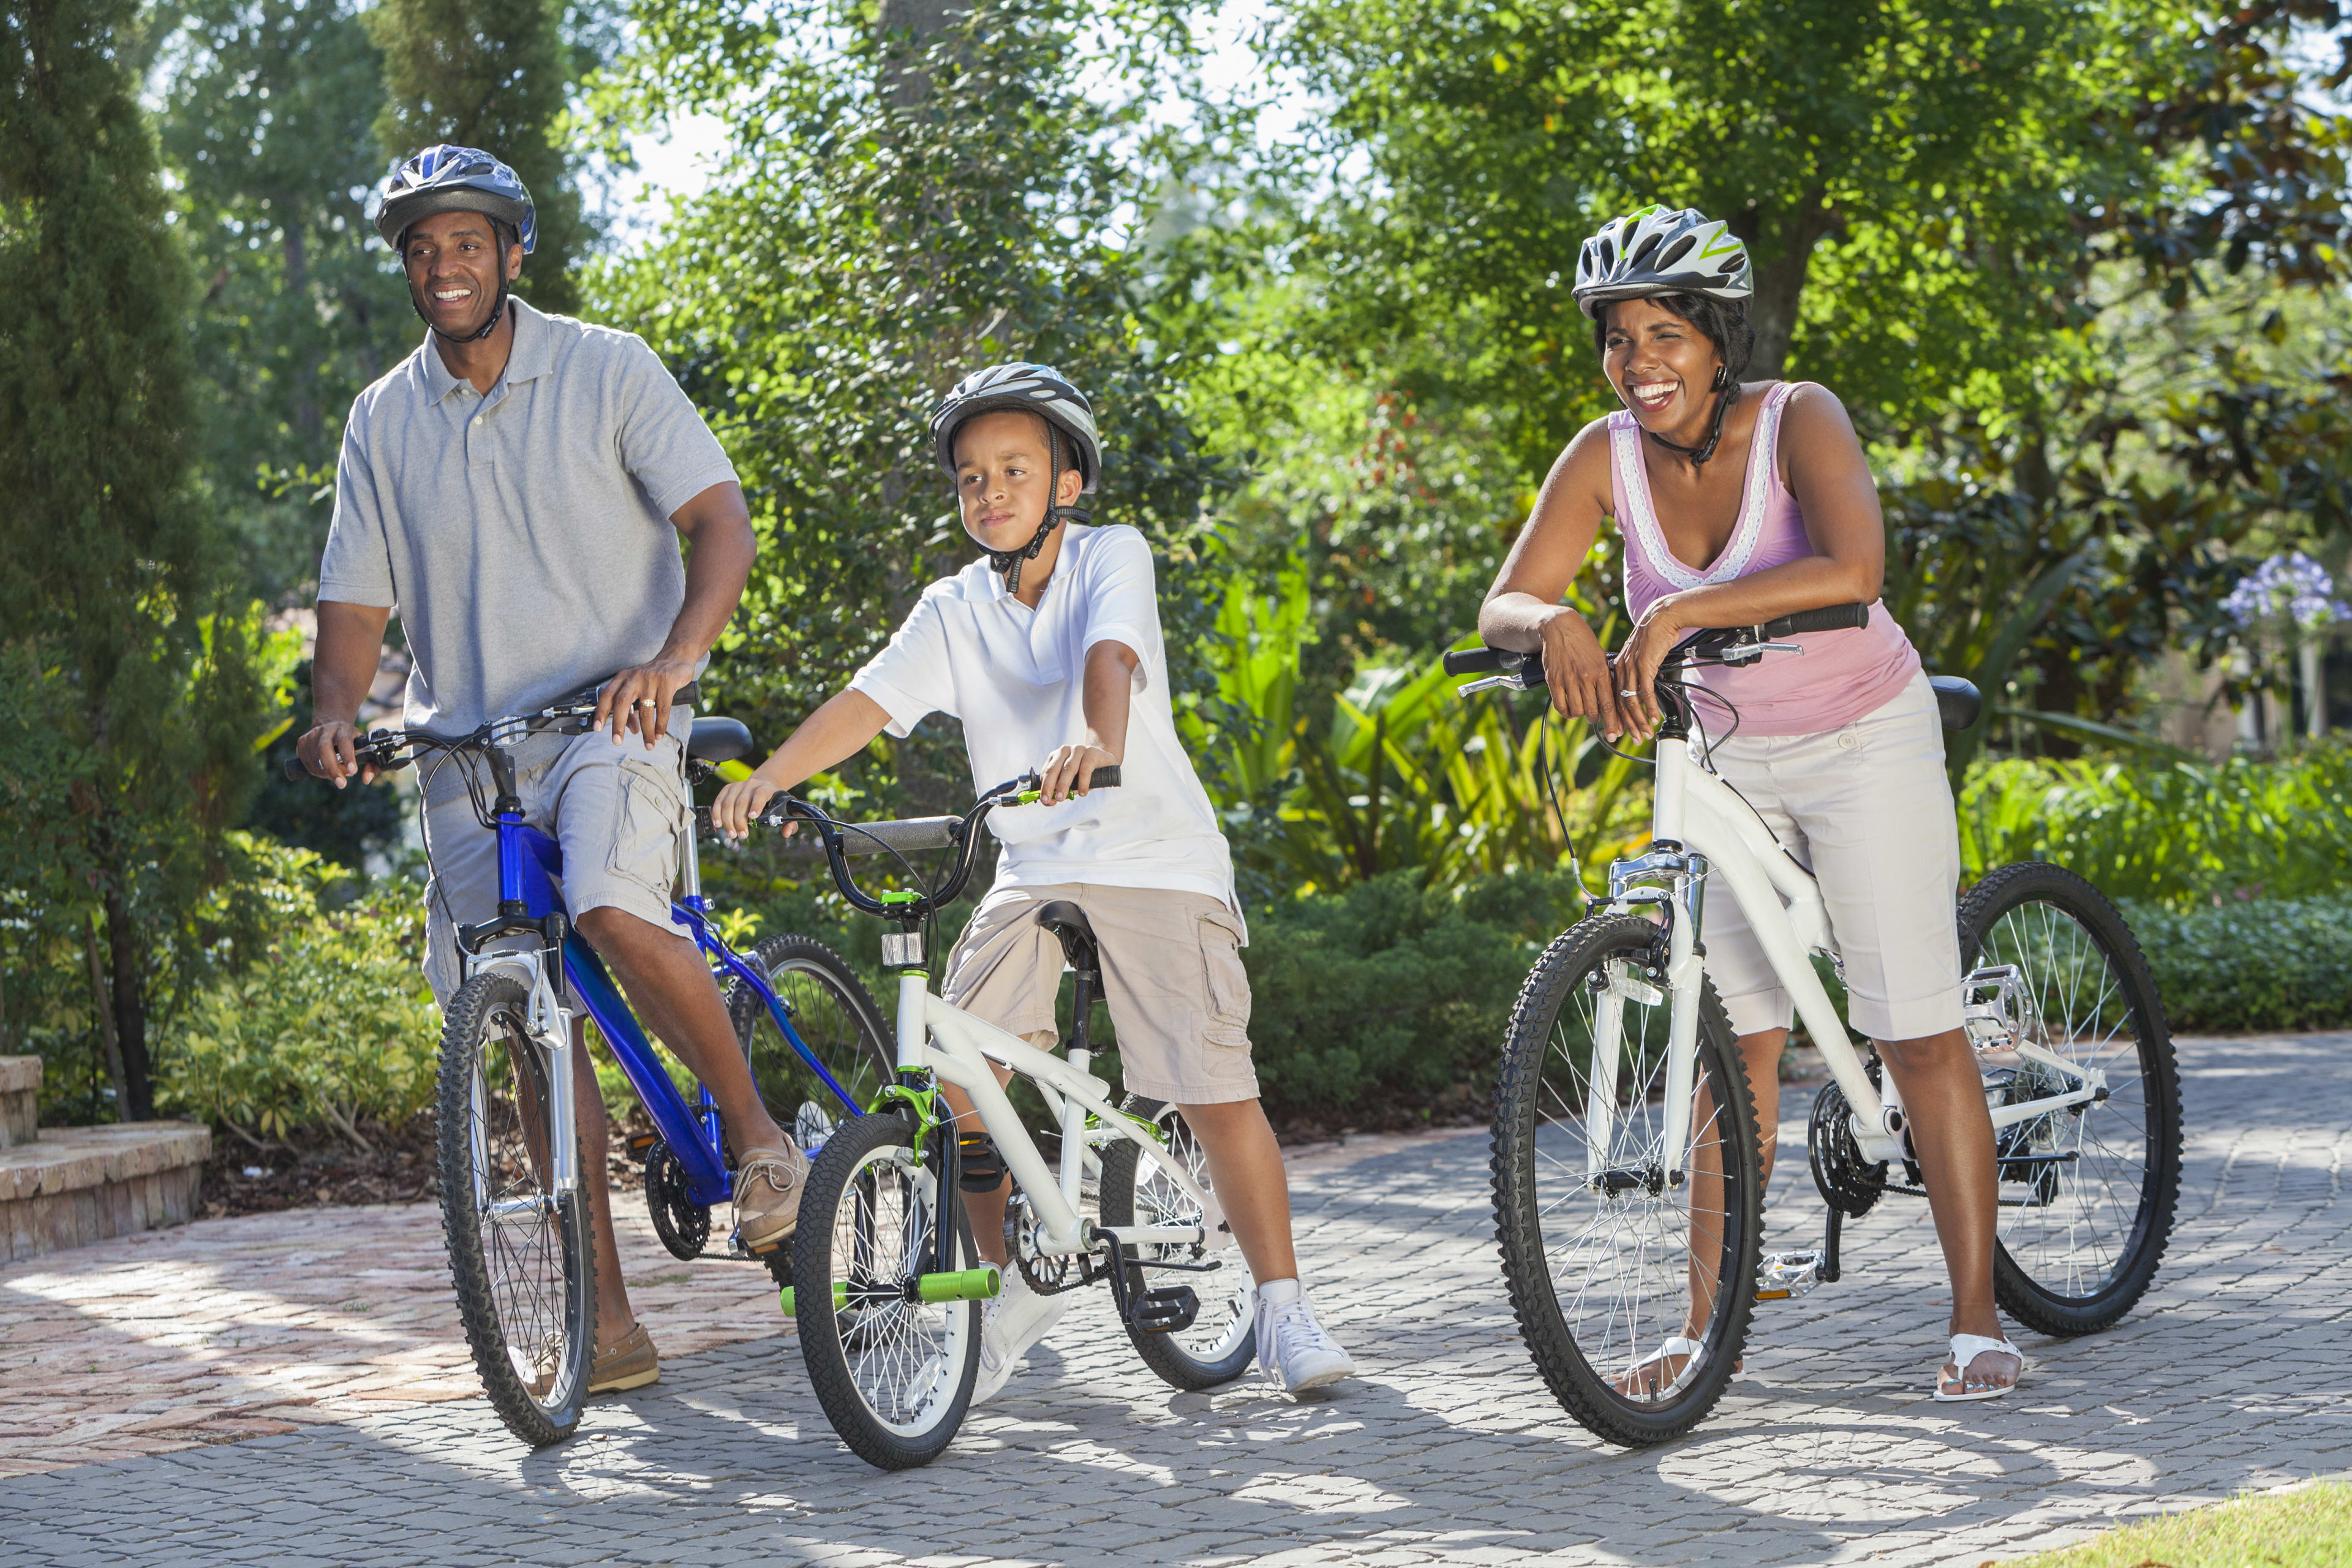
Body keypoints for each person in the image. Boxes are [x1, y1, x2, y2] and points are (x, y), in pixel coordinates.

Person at [710, 363, 1358, 1400]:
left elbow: (1111, 659)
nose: (990, 491)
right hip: (1034, 864)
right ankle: (994, 1295)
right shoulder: (954, 604)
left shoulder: (1113, 555)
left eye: (1015, 468)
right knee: (958, 1073)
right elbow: (871, 700)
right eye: (970, 477)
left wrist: (1097, 741)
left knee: (1211, 1079)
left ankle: (1284, 1310)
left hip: (1154, 858)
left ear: (1068, 481)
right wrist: (774, 777)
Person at [1476, 206, 2025, 1402]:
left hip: (1859, 738)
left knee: (1913, 1024)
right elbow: (1502, 602)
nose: (1639, 363)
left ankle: (1979, 1319)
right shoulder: (1601, 453)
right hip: (1722, 758)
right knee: (1730, 1045)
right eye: (1619, 339)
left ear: (1720, 337)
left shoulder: (1799, 416)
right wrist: (1557, 619)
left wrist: (1674, 612)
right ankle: (1703, 1323)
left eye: (1665, 332)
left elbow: (1854, 569)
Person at [296, 145, 802, 1396]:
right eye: (421, 248)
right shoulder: (383, 416)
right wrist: (336, 711)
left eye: (467, 242)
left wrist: (678, 660)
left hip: (612, 713)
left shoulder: (607, 366)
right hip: (466, 743)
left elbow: (719, 519)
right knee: (523, 1017)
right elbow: (354, 603)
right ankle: (608, 1320)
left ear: (514, 253)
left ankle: (757, 1134)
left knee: (618, 909)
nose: (443, 266)